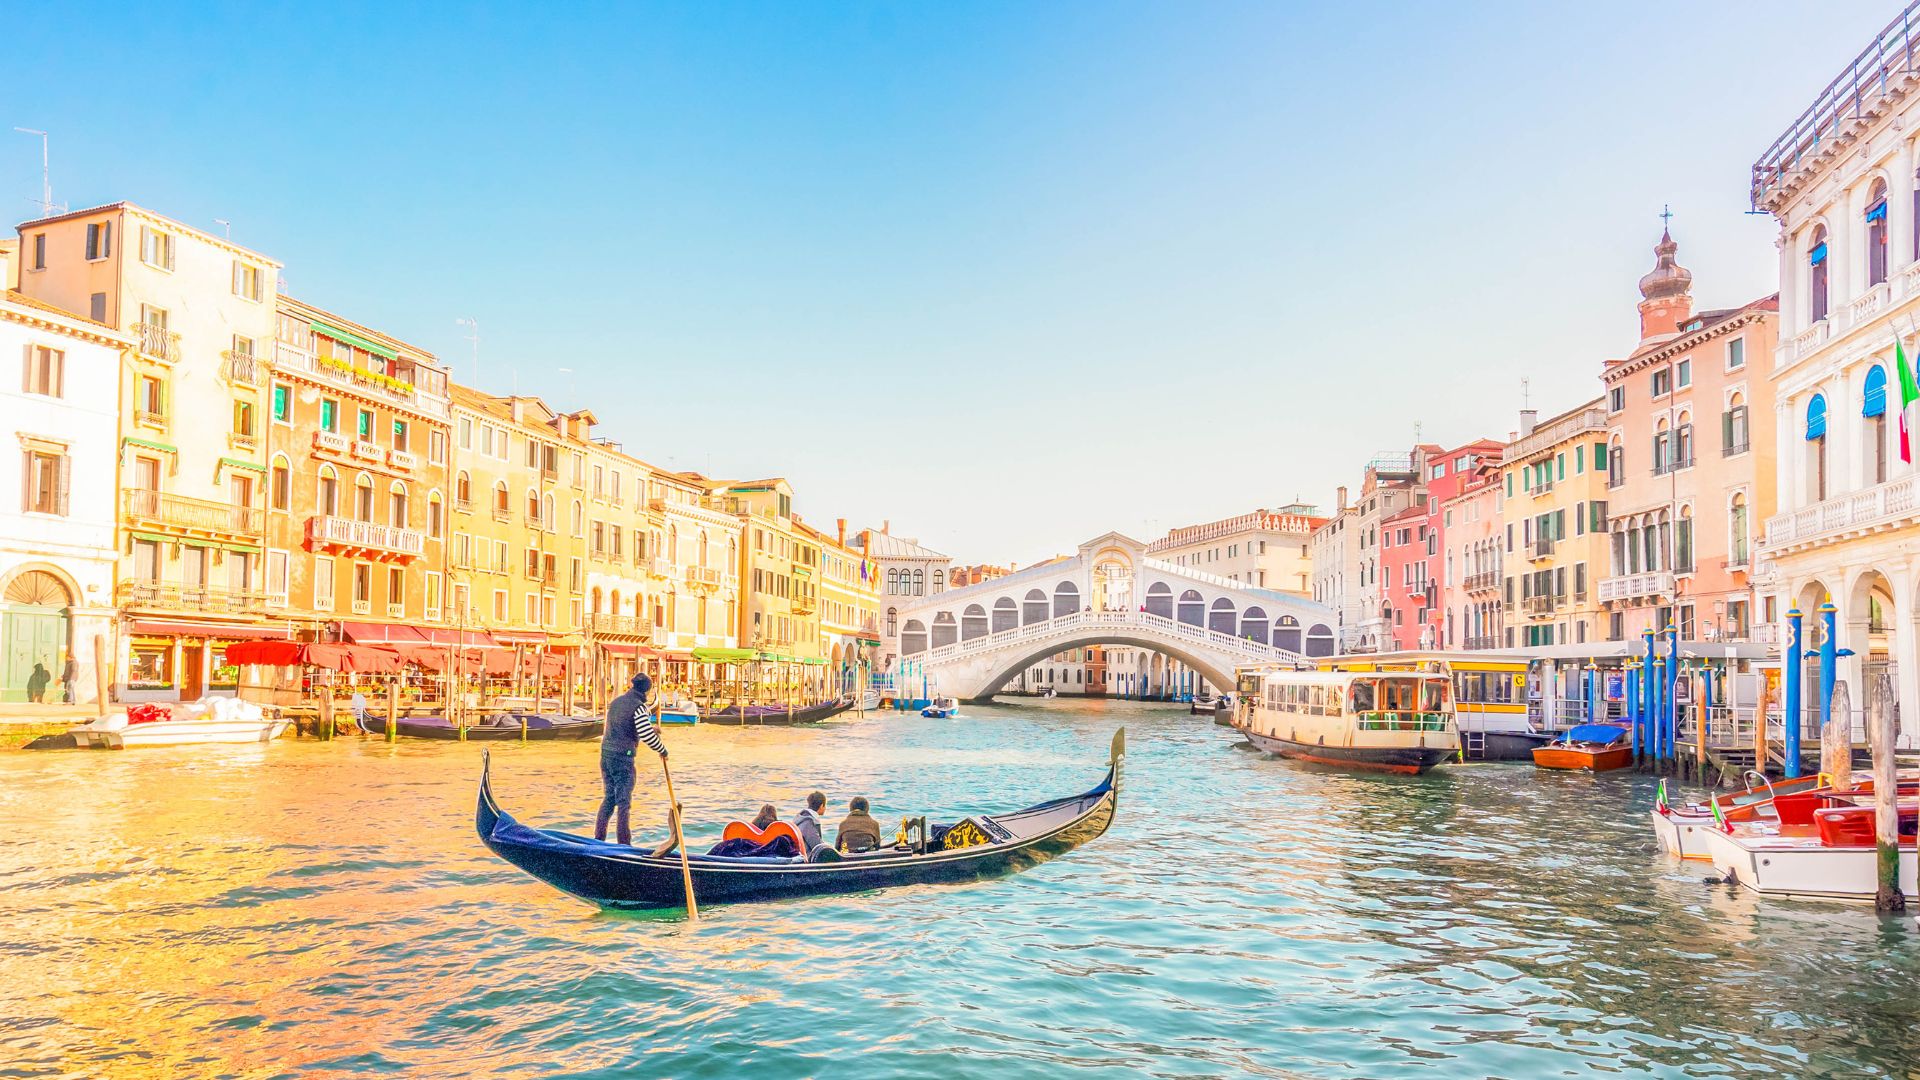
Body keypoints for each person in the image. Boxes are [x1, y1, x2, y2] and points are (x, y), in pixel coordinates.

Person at [597, 673, 668, 846]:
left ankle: (599, 839)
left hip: (606, 755)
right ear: (647, 691)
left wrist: (651, 727)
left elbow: (623, 725)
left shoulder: (617, 702)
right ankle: (624, 844)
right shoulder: (639, 707)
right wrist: (663, 750)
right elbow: (645, 735)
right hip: (623, 758)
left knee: (609, 798)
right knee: (623, 803)